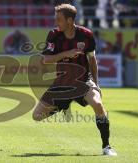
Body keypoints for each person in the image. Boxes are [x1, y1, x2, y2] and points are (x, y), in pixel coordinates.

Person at [32, 4, 117, 156]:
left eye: (59, 19)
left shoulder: (86, 35)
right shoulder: (53, 35)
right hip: (62, 83)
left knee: (98, 104)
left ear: (70, 20)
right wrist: (67, 53)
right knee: (36, 116)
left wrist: (96, 84)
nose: (56, 22)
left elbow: (92, 60)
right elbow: (45, 60)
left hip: (83, 80)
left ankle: (107, 147)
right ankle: (62, 105)